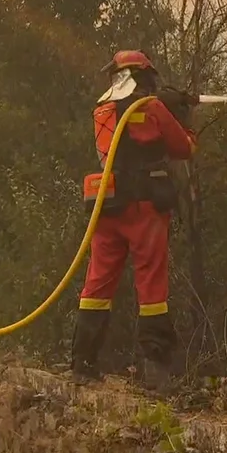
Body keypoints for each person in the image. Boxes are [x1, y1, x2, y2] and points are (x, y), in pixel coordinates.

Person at [73, 50, 197, 392]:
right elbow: (183, 148)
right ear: (145, 77)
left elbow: (111, 151)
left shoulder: (101, 110)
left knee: (97, 284)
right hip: (144, 206)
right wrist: (182, 117)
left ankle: (82, 363)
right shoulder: (151, 109)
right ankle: (155, 372)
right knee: (151, 285)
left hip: (108, 205)